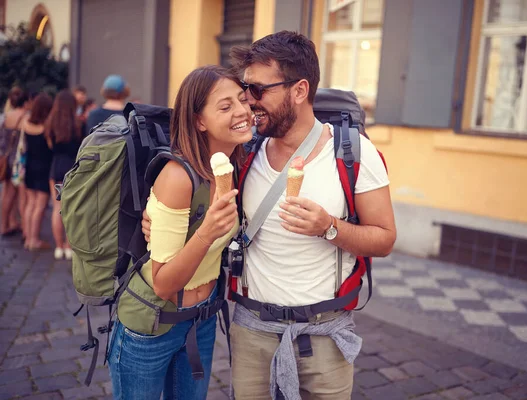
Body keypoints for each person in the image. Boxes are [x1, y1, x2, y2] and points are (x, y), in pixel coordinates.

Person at [142, 31, 396, 400]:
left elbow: (385, 238)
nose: (248, 104)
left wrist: (330, 227)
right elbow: (198, 206)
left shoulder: (354, 154)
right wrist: (158, 223)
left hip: (325, 334)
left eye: (258, 91)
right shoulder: (244, 154)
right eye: (246, 90)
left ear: (299, 90)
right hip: (252, 333)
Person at [108, 65, 252, 400]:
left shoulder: (237, 165)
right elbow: (163, 283)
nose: (242, 111)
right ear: (199, 120)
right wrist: (206, 233)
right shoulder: (178, 177)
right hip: (152, 325)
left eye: (242, 100)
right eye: (225, 106)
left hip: (200, 322)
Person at [45, 90, 83, 260]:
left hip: (56, 168)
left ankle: (58, 247)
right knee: (71, 210)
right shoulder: (78, 124)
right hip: (72, 170)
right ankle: (69, 246)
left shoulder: (50, 124)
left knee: (57, 208)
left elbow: (50, 148)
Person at [21, 93, 54, 251]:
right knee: (40, 206)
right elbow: (50, 148)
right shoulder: (46, 127)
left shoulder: (26, 123)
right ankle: (34, 240)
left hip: (29, 167)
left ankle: (28, 238)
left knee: (30, 204)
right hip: (43, 168)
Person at [0, 87, 28, 237]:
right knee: (23, 195)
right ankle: (25, 228)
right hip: (20, 160)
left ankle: (4, 225)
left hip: (6, 158)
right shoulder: (26, 117)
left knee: (7, 194)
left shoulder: (6, 117)